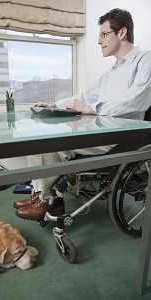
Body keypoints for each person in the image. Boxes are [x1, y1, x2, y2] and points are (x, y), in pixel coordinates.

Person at [14, 8, 151, 220]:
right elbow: (85, 96)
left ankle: (45, 201)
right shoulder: (113, 71)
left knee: (48, 142)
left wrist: (94, 109)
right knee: (42, 137)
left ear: (121, 33)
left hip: (122, 137)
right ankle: (43, 198)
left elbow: (138, 98)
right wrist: (53, 105)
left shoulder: (145, 60)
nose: (99, 41)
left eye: (104, 34)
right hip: (102, 129)